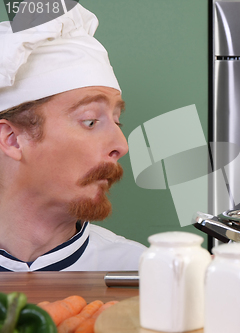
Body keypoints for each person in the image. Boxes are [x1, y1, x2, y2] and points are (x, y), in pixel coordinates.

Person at [0, 4, 147, 271]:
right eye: (90, 121)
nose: (122, 145)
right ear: (11, 139)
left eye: (117, 120)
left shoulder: (141, 271)